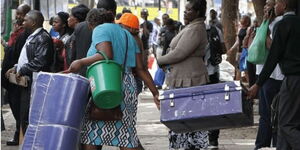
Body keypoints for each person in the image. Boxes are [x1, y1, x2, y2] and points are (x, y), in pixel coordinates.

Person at [63, 8, 159, 150]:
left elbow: (106, 54)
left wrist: (81, 62)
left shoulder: (99, 29)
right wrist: (155, 93)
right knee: (126, 136)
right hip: (127, 86)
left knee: (91, 135)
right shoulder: (127, 35)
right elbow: (140, 69)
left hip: (106, 83)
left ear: (91, 23)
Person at [157, 0, 209, 149]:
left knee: (187, 121)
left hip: (189, 80)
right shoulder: (191, 27)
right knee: (181, 121)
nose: (185, 12)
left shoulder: (196, 28)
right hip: (183, 78)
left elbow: (180, 53)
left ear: (198, 12)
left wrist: (161, 60)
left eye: (189, 10)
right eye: (185, 10)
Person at [248, 0, 300, 149]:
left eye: (276, 3)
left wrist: (258, 84)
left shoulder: (282, 25)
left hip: (291, 80)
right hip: (291, 79)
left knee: (285, 124)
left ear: (284, 5)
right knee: (286, 122)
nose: (274, 6)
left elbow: (273, 57)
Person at [5, 10, 54, 137]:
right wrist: (16, 67)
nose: (23, 21)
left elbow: (40, 61)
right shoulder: (32, 36)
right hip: (27, 82)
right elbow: (27, 57)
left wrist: (23, 69)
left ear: (33, 23)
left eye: (26, 20)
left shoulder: (43, 38)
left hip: (35, 83)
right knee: (24, 116)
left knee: (29, 116)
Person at [253, 1, 285, 149]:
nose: (266, 7)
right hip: (265, 74)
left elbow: (274, 48)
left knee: (272, 114)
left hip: (276, 76)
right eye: (265, 4)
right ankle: (263, 144)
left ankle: (268, 144)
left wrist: (265, 32)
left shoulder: (280, 24)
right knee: (266, 114)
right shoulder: (267, 24)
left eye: (270, 4)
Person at [1, 3, 31, 146]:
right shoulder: (17, 32)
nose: (18, 17)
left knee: (19, 107)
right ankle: (18, 135)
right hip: (11, 77)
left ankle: (20, 136)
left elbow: (17, 53)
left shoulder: (25, 33)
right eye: (17, 14)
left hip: (18, 77)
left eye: (21, 14)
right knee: (14, 105)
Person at [70, 0, 117, 76]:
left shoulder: (97, 28)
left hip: (98, 76)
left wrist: (79, 63)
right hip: (112, 77)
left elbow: (73, 52)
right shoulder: (121, 31)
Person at [228, 15, 251, 80]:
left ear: (247, 21)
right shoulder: (240, 29)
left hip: (246, 52)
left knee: (245, 70)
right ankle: (238, 84)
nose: (241, 19)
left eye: (243, 18)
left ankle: (250, 85)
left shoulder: (248, 29)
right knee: (238, 69)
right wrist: (232, 49)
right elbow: (238, 41)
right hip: (239, 52)